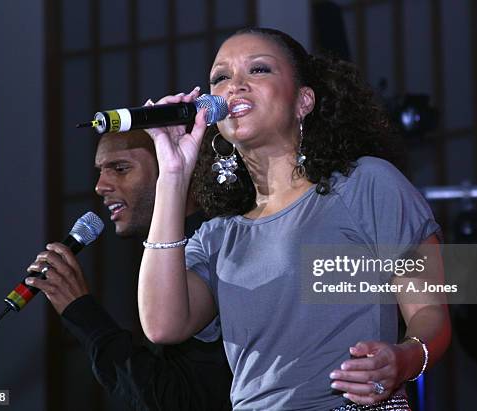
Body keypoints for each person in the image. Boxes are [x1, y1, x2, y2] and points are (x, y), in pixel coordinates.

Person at [138, 27, 451, 411]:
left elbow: (431, 314)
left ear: (303, 101)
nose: (234, 86)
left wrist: (402, 360)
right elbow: (163, 325)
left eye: (258, 70)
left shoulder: (367, 185)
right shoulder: (217, 237)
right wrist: (172, 175)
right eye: (220, 77)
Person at [24, 130, 232, 411]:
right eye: (100, 171)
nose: (100, 186)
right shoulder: (166, 254)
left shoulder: (210, 247)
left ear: (177, 165)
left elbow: (177, 400)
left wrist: (82, 312)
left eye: (120, 169)